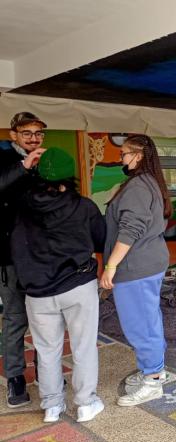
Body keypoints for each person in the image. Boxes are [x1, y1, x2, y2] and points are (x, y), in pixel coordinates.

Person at [11, 148, 106, 423]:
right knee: (83, 346)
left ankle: (52, 406)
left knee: (46, 350)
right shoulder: (83, 206)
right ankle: (86, 403)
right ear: (71, 176)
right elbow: (101, 240)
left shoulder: (22, 208)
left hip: (37, 292)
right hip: (77, 286)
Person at [100, 134, 172, 406]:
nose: (121, 158)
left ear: (138, 155)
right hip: (147, 263)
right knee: (149, 320)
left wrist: (111, 266)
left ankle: (152, 379)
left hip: (136, 267)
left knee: (140, 325)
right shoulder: (147, 182)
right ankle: (154, 370)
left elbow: (130, 230)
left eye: (123, 154)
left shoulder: (139, 187)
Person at [0, 112, 47, 408]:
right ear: (14, 134)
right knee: (16, 318)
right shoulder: (2, 157)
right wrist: (23, 166)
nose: (33, 138)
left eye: (38, 133)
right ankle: (16, 376)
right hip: (9, 255)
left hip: (42, 257)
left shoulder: (48, 159)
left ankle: (46, 370)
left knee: (45, 318)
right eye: (26, 132)